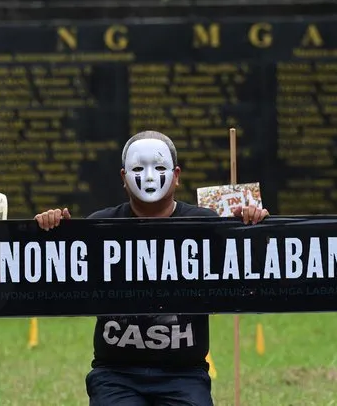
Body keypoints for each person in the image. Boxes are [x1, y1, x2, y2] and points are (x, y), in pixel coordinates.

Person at [34, 130, 269, 406]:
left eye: (159, 167)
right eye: (137, 168)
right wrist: (52, 232)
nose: (148, 176)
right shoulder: (100, 226)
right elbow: (59, 279)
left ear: (176, 175)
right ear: (123, 177)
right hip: (115, 375)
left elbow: (250, 276)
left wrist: (251, 229)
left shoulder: (205, 225)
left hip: (184, 375)